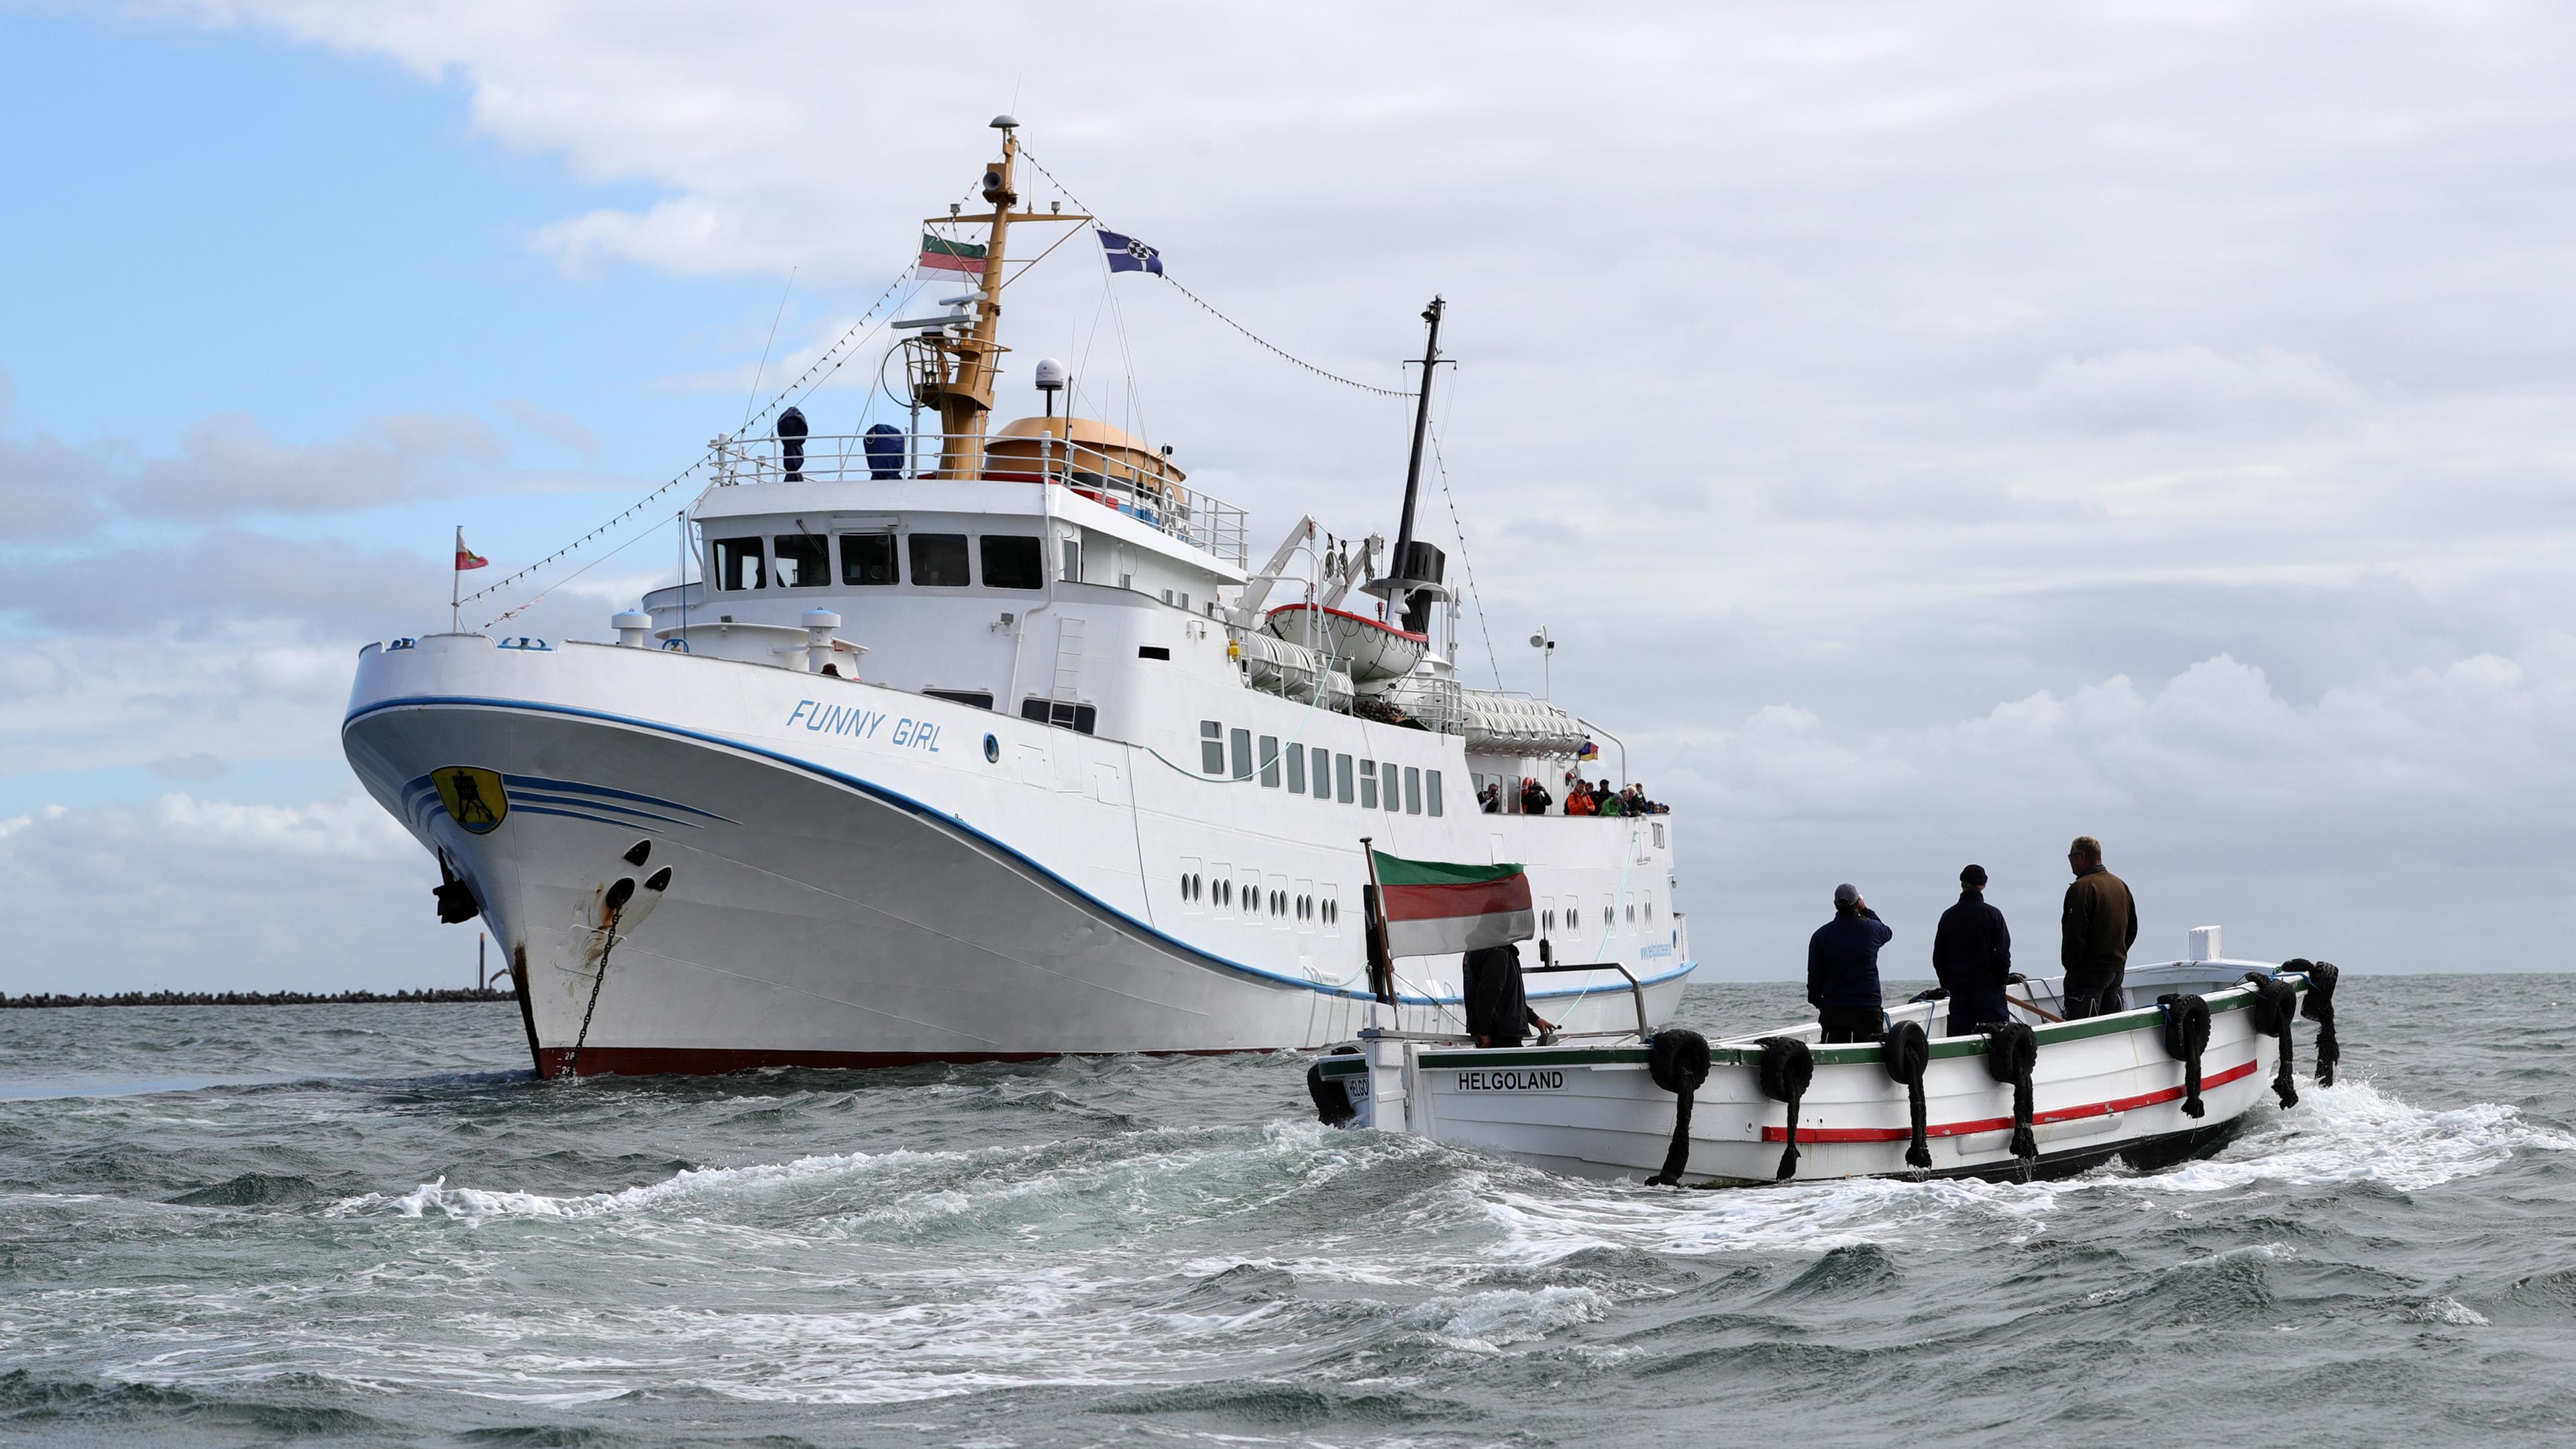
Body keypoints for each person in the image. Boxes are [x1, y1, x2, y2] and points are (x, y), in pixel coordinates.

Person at [2059, 835, 2137, 1018]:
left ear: (2081, 856)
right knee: (2110, 1027)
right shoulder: (2120, 885)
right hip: (2116, 970)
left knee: (2082, 1031)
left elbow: (2075, 934)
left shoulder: (2081, 888)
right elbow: (2132, 928)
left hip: (2088, 974)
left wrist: (2071, 964)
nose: (2070, 862)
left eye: (2071, 857)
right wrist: (2118, 952)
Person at [1932, 863, 2012, 1036]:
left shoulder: (1948, 916)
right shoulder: (1993, 915)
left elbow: (1938, 957)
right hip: (1989, 988)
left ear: (1962, 883)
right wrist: (2002, 980)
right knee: (1997, 1040)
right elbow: (2003, 953)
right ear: (1984, 885)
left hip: (1959, 989)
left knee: (1959, 1042)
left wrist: (1948, 984)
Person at [1807, 882, 1891, 1042]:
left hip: (1834, 1008)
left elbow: (1815, 975)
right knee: (1869, 1058)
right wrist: (1866, 910)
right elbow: (1886, 932)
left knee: (1833, 1057)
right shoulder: (1872, 929)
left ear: (1835, 905)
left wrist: (1818, 1002)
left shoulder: (1820, 936)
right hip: (1868, 1007)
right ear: (1858, 904)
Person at [1462, 943, 1556, 1047]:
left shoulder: (1476, 948)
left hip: (1496, 1029)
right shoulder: (1497, 952)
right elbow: (1487, 996)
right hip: (1501, 1033)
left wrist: (1534, 1019)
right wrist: (1484, 1032)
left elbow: (1506, 995)